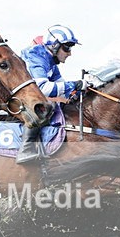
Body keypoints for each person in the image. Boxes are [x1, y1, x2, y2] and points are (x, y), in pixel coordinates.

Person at [18, 24, 85, 163]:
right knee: (48, 104)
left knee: (58, 102)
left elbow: (62, 87)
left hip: (29, 96)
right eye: (66, 48)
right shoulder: (36, 56)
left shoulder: (51, 62)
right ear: (54, 45)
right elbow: (44, 88)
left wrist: (78, 91)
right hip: (17, 99)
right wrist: (74, 85)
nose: (69, 53)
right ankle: (25, 149)